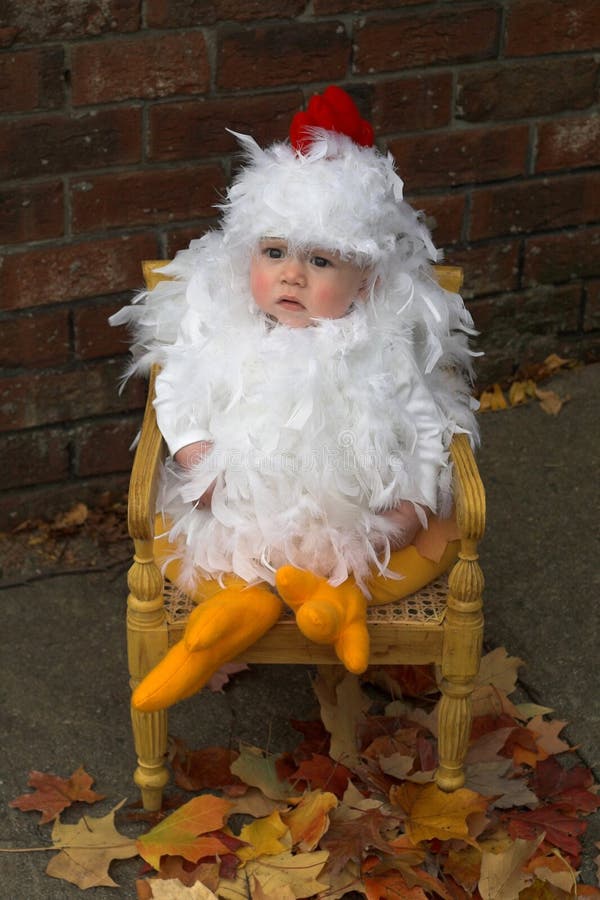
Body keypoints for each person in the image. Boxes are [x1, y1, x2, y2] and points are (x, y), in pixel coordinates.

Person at [112, 86, 479, 713]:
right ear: (248, 254)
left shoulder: (382, 348)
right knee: (205, 556)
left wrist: (414, 504)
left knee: (415, 549)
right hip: (242, 508)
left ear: (366, 280)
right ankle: (238, 614)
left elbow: (425, 427)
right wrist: (195, 452)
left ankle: (335, 602)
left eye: (321, 260)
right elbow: (175, 388)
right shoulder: (224, 329)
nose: (292, 274)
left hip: (350, 518)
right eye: (275, 251)